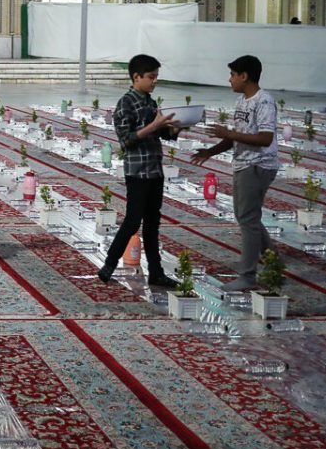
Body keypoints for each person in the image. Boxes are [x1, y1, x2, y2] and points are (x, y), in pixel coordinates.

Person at [192, 55, 280, 292]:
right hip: (244, 163)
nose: (229, 79)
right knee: (248, 216)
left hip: (258, 164)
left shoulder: (263, 102)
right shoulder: (243, 102)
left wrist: (227, 133)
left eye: (232, 75)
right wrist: (211, 151)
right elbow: (238, 136)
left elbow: (265, 138)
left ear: (245, 76)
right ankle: (272, 258)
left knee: (247, 218)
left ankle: (248, 276)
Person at [97, 53, 181, 287]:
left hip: (154, 169)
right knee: (133, 221)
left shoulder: (150, 102)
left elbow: (162, 134)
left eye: (156, 77)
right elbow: (126, 140)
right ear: (136, 77)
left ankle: (156, 272)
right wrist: (154, 125)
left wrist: (175, 127)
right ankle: (109, 264)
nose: (155, 81)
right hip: (137, 171)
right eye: (151, 77)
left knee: (153, 222)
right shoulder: (126, 103)